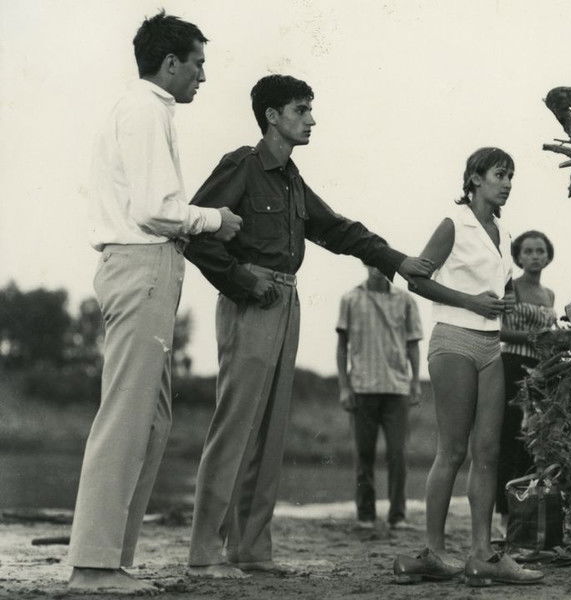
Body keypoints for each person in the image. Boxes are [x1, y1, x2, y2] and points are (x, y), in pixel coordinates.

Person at [183, 74, 434, 579]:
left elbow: (336, 229)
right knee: (236, 427)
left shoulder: (292, 179)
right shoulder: (242, 165)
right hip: (251, 301)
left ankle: (251, 551)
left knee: (270, 430)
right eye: (301, 110)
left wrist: (396, 260)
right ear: (272, 116)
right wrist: (242, 281)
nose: (312, 120)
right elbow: (195, 232)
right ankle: (205, 554)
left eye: (310, 110)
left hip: (286, 298)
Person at [67, 12, 241, 595]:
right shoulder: (144, 110)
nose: (202, 76)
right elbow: (153, 209)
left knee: (152, 420)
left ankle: (110, 561)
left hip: (150, 266)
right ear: (170, 63)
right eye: (197, 64)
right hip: (141, 263)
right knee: (127, 415)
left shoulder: (146, 110)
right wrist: (215, 220)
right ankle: (93, 568)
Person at [393, 147, 544, 586]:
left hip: (491, 346)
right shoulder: (453, 223)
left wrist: (505, 299)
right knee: (453, 451)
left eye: (511, 176)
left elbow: (501, 283)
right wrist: (470, 302)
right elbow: (416, 278)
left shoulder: (502, 229)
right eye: (500, 174)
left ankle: (482, 555)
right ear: (475, 178)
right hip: (454, 341)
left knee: (489, 452)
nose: (508, 183)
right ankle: (433, 552)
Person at [336, 265, 422, 530]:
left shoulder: (405, 300)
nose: (378, 268)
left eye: (382, 262)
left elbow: (413, 344)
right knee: (364, 454)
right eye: (372, 262)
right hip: (362, 387)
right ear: (365, 263)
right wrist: (344, 387)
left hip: (397, 388)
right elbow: (342, 346)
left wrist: (415, 382)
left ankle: (398, 516)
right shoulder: (350, 298)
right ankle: (365, 515)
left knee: (398, 454)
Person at [496, 231, 556, 534]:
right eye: (528, 251)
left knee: (535, 441)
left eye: (540, 251)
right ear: (518, 257)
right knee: (509, 436)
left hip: (541, 371)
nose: (535, 256)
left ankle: (528, 511)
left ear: (548, 256)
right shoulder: (512, 288)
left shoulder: (550, 295)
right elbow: (499, 331)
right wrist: (537, 338)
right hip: (511, 365)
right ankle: (505, 515)